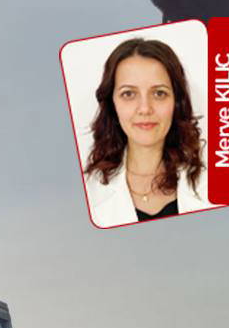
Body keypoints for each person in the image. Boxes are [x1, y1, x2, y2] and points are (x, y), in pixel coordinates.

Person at [82, 37, 212, 228]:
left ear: (176, 103)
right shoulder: (87, 192)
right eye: (129, 94)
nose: (145, 108)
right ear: (112, 104)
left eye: (159, 93)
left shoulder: (216, 181)